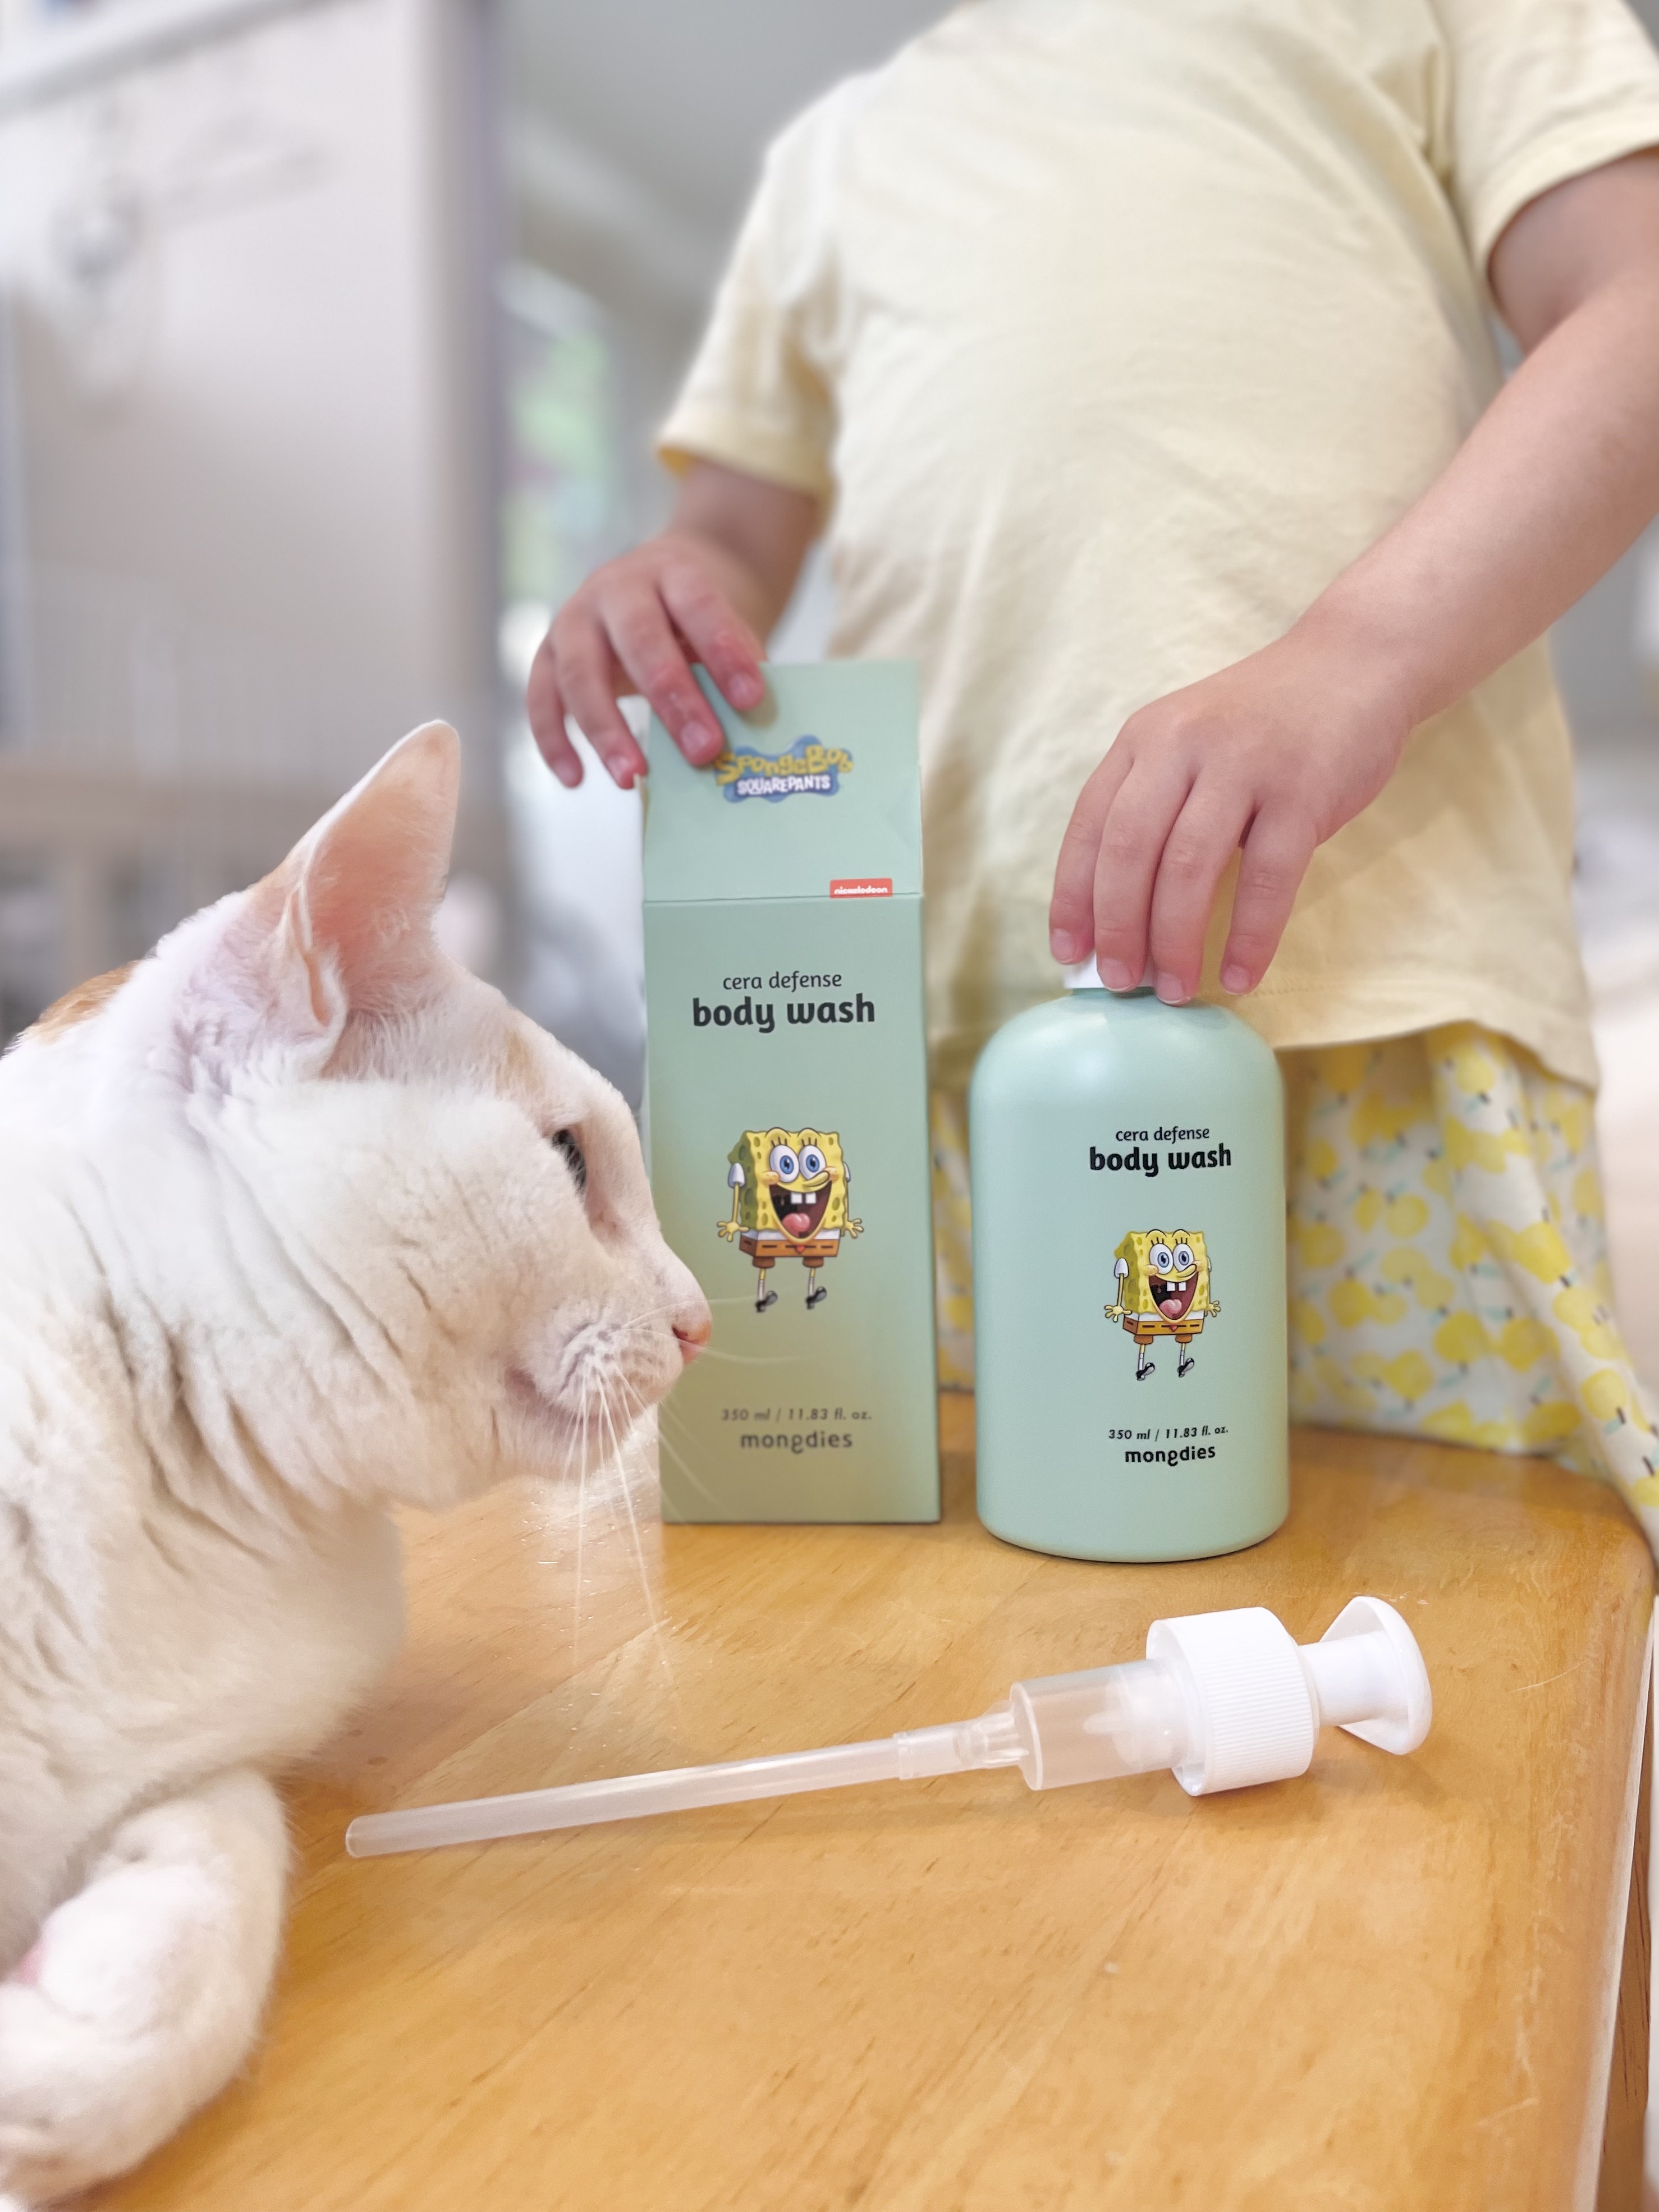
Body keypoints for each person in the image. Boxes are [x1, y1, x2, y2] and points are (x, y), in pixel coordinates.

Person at [527, 0, 1659, 1543]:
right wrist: (667, 584)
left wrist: (1358, 655)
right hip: (942, 1075)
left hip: (1386, 1009)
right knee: (970, 1624)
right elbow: (734, 531)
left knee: (1468, 1611)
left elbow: (1635, 299)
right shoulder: (830, 161)